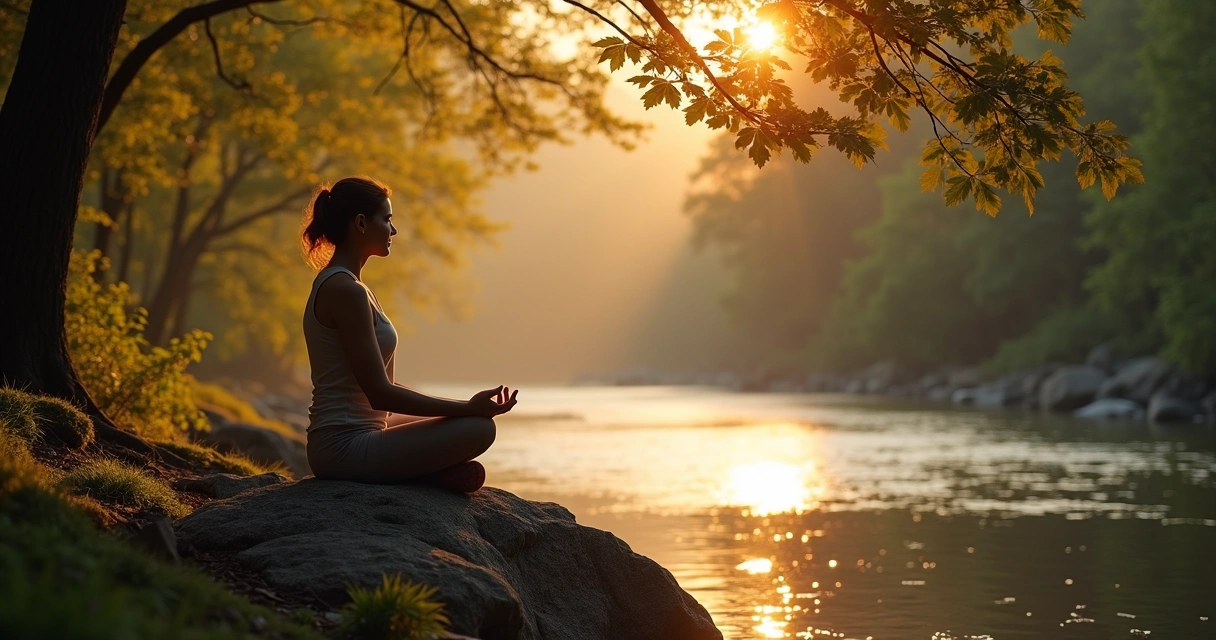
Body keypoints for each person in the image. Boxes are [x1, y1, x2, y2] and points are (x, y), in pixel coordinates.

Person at [300, 176, 517, 492]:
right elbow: (380, 394)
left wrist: (461, 406)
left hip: (364, 432)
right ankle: (424, 475)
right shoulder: (345, 291)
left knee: (466, 424)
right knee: (478, 429)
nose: (394, 230)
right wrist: (468, 408)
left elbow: (379, 385)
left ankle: (422, 473)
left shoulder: (352, 287)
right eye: (387, 219)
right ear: (361, 223)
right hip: (342, 448)